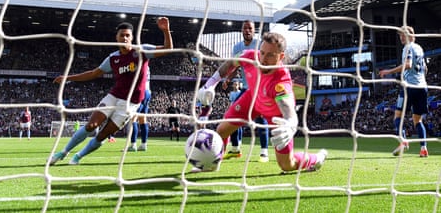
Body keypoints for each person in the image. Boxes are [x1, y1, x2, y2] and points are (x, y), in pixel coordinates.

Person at [49, 17, 173, 165]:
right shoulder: (113, 58)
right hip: (114, 96)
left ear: (132, 37)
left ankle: (78, 156)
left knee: (102, 135)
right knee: (91, 125)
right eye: (122, 35)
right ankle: (63, 152)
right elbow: (94, 73)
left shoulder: (141, 51)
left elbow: (168, 49)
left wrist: (166, 31)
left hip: (130, 103)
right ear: (117, 38)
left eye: (128, 35)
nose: (125, 38)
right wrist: (68, 78)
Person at [198, 32, 328, 172]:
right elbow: (231, 62)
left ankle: (316, 158)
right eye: (262, 52)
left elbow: (288, 108)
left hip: (275, 114)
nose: (263, 59)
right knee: (222, 130)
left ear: (281, 57)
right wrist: (211, 83)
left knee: (286, 165)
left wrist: (290, 125)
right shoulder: (249, 57)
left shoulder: (281, 81)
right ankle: (213, 163)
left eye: (270, 55)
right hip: (252, 99)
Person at [221, 20, 270, 163]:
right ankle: (235, 149)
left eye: (250, 28)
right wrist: (228, 79)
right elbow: (235, 66)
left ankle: (264, 152)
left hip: (260, 88)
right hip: (246, 88)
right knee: (233, 117)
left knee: (261, 119)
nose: (247, 30)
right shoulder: (237, 47)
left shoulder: (260, 45)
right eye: (245, 28)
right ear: (242, 31)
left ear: (254, 31)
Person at [379, 26, 429, 157]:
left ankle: (404, 141)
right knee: (417, 121)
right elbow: (425, 68)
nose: (401, 37)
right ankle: (423, 148)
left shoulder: (408, 48)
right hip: (422, 87)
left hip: (409, 88)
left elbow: (407, 64)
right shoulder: (419, 48)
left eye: (403, 34)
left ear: (411, 36)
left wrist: (388, 72)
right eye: (400, 35)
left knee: (398, 117)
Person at [126, 67, 152, 152]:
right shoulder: (146, 65)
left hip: (139, 92)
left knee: (132, 119)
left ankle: (133, 144)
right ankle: (144, 144)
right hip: (147, 91)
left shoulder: (136, 62)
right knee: (142, 119)